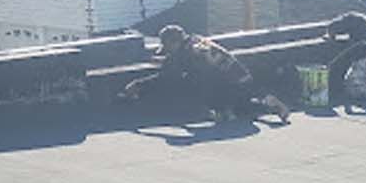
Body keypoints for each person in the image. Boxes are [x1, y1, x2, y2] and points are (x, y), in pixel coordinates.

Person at [120, 25, 290, 124]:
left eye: (169, 47)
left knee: (190, 81)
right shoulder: (197, 41)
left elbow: (168, 77)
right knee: (243, 107)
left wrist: (138, 84)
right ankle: (267, 102)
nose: (169, 52)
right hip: (244, 81)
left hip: (228, 87)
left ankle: (222, 110)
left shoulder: (187, 53)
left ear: (175, 42)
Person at [324, 11, 366, 112]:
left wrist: (331, 37)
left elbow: (333, 27)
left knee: (352, 87)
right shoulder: (364, 22)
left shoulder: (350, 21)